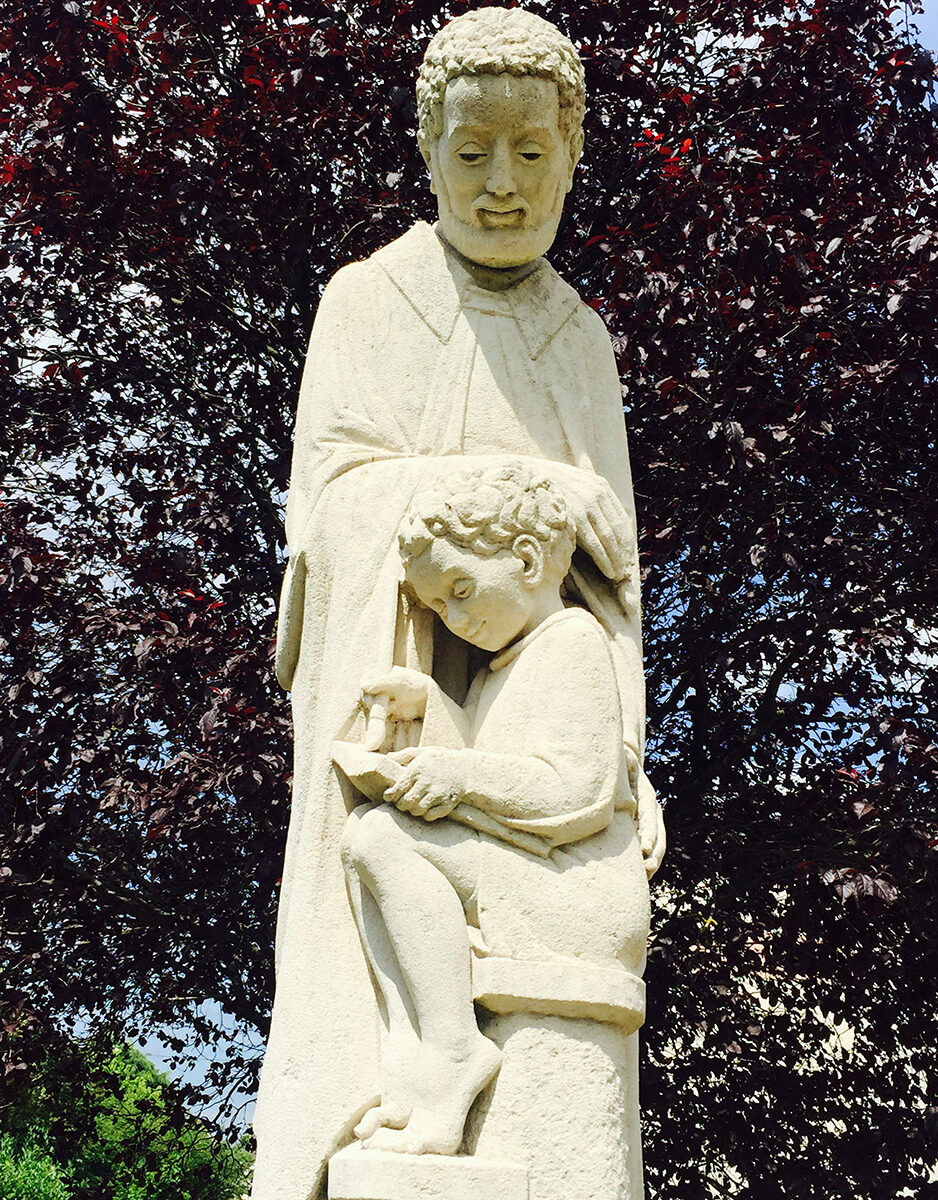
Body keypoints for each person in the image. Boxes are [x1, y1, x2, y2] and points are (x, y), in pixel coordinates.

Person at [250, 10, 664, 1199]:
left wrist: (626, 762)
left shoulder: (580, 340)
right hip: (418, 693)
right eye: (471, 150)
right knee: (381, 856)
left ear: (571, 152)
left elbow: (613, 579)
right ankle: (407, 1068)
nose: (499, 186)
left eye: (530, 154)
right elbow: (332, 518)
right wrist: (531, 492)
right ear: (427, 148)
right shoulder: (367, 304)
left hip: (550, 728)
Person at [339, 463, 650, 1158]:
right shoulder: (500, 669)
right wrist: (429, 709)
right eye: (438, 607)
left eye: (460, 589)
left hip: (583, 892)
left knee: (383, 839)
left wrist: (456, 774)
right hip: (536, 874)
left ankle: (451, 1053)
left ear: (530, 558)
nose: (455, 617)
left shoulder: (573, 641)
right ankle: (424, 1059)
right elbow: (499, 757)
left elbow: (577, 793)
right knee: (370, 839)